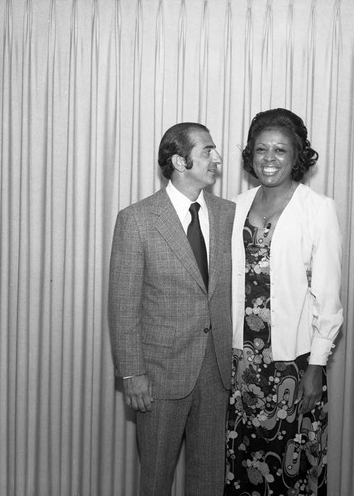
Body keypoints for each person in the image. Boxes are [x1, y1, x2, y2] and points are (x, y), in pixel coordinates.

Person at [108, 122, 235, 495]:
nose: (218, 158)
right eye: (208, 151)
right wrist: (132, 374)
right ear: (180, 161)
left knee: (210, 479)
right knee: (156, 479)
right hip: (159, 378)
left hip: (217, 374)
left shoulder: (229, 215)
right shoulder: (137, 219)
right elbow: (123, 303)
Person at [225, 108, 343, 496]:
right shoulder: (235, 205)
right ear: (250, 155)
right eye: (261, 150)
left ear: (298, 157)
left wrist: (317, 367)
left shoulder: (317, 208)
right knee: (244, 466)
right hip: (242, 362)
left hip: (293, 364)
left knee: (290, 470)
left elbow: (327, 297)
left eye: (280, 150)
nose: (269, 159)